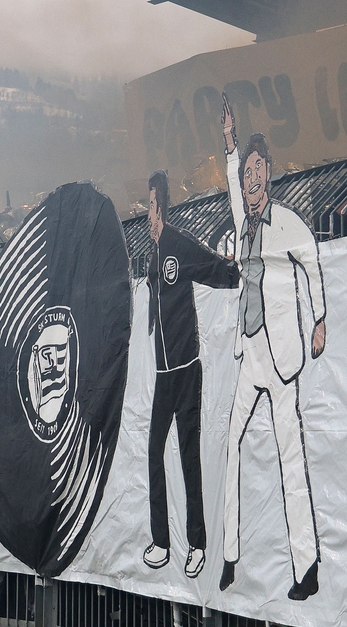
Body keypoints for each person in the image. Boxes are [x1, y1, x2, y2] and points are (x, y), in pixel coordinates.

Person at [219, 95, 326, 601]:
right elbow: (231, 184)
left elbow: (314, 266)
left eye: (258, 169)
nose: (252, 179)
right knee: (230, 445)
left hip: (282, 360)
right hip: (249, 356)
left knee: (290, 459)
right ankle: (229, 556)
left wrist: (320, 319)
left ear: (271, 174)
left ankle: (306, 569)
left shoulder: (287, 223)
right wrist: (229, 144)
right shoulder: (243, 218)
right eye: (246, 172)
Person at [141, 170, 238, 578]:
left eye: (148, 205)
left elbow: (211, 267)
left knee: (188, 456)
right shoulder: (152, 256)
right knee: (153, 452)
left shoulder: (178, 244)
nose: (146, 214)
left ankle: (196, 543)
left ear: (160, 205)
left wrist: (238, 272)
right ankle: (161, 542)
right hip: (164, 374)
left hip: (187, 369)